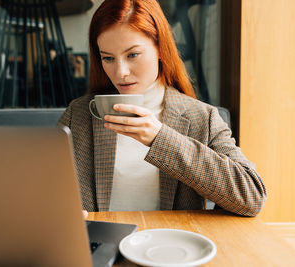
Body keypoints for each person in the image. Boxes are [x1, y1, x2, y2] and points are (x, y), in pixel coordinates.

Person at [58, 0, 266, 217]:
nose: (121, 72)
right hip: (102, 247)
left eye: (132, 55)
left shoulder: (202, 118)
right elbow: (44, 190)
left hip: (170, 247)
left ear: (160, 48)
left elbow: (252, 197)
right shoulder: (79, 115)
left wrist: (161, 138)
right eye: (108, 58)